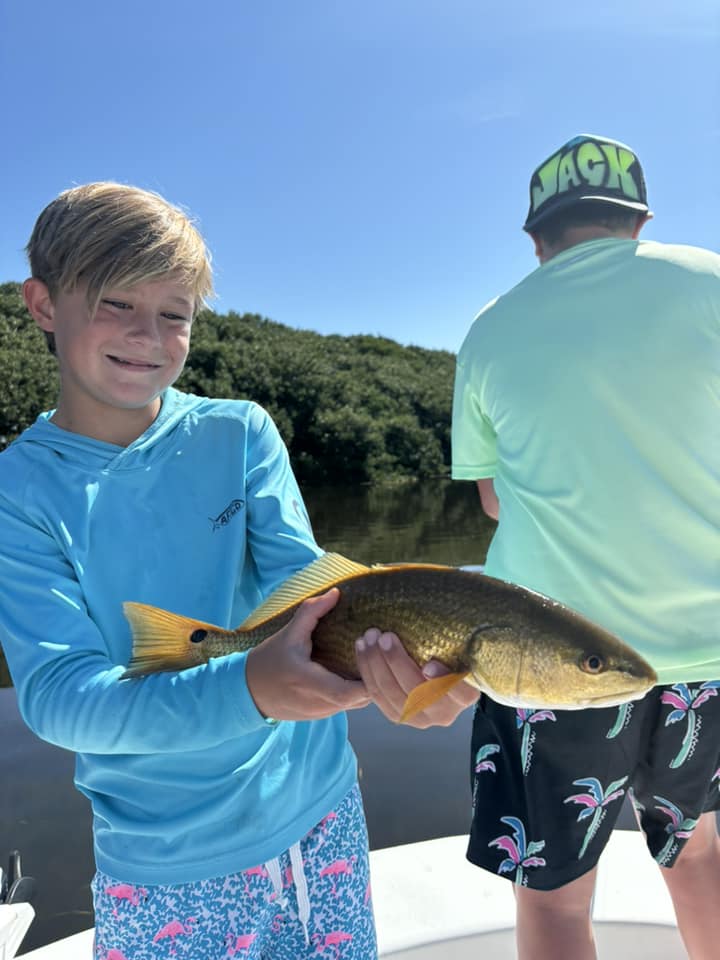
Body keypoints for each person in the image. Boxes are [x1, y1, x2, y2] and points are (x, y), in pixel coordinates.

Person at [0, 182, 473, 960]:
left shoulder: (240, 431)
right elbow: (58, 699)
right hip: (165, 866)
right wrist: (250, 685)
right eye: (117, 303)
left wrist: (414, 663)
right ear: (44, 304)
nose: (148, 335)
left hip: (321, 814)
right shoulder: (20, 492)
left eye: (175, 314)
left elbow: (315, 589)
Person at [451, 134, 720, 960]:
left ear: (538, 240)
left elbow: (494, 500)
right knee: (704, 859)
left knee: (558, 902)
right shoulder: (712, 282)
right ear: (637, 220)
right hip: (707, 654)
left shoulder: (491, 328)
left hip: (546, 667)